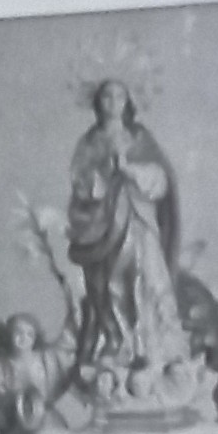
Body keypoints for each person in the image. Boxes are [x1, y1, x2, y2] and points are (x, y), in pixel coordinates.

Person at [64, 81, 190, 385]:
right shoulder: (89, 143)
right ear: (98, 102)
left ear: (127, 101)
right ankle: (119, 344)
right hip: (103, 228)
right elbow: (80, 184)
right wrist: (102, 177)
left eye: (119, 95)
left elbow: (160, 180)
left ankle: (157, 347)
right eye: (107, 96)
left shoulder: (139, 138)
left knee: (148, 279)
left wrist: (130, 170)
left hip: (138, 219)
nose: (113, 101)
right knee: (110, 286)